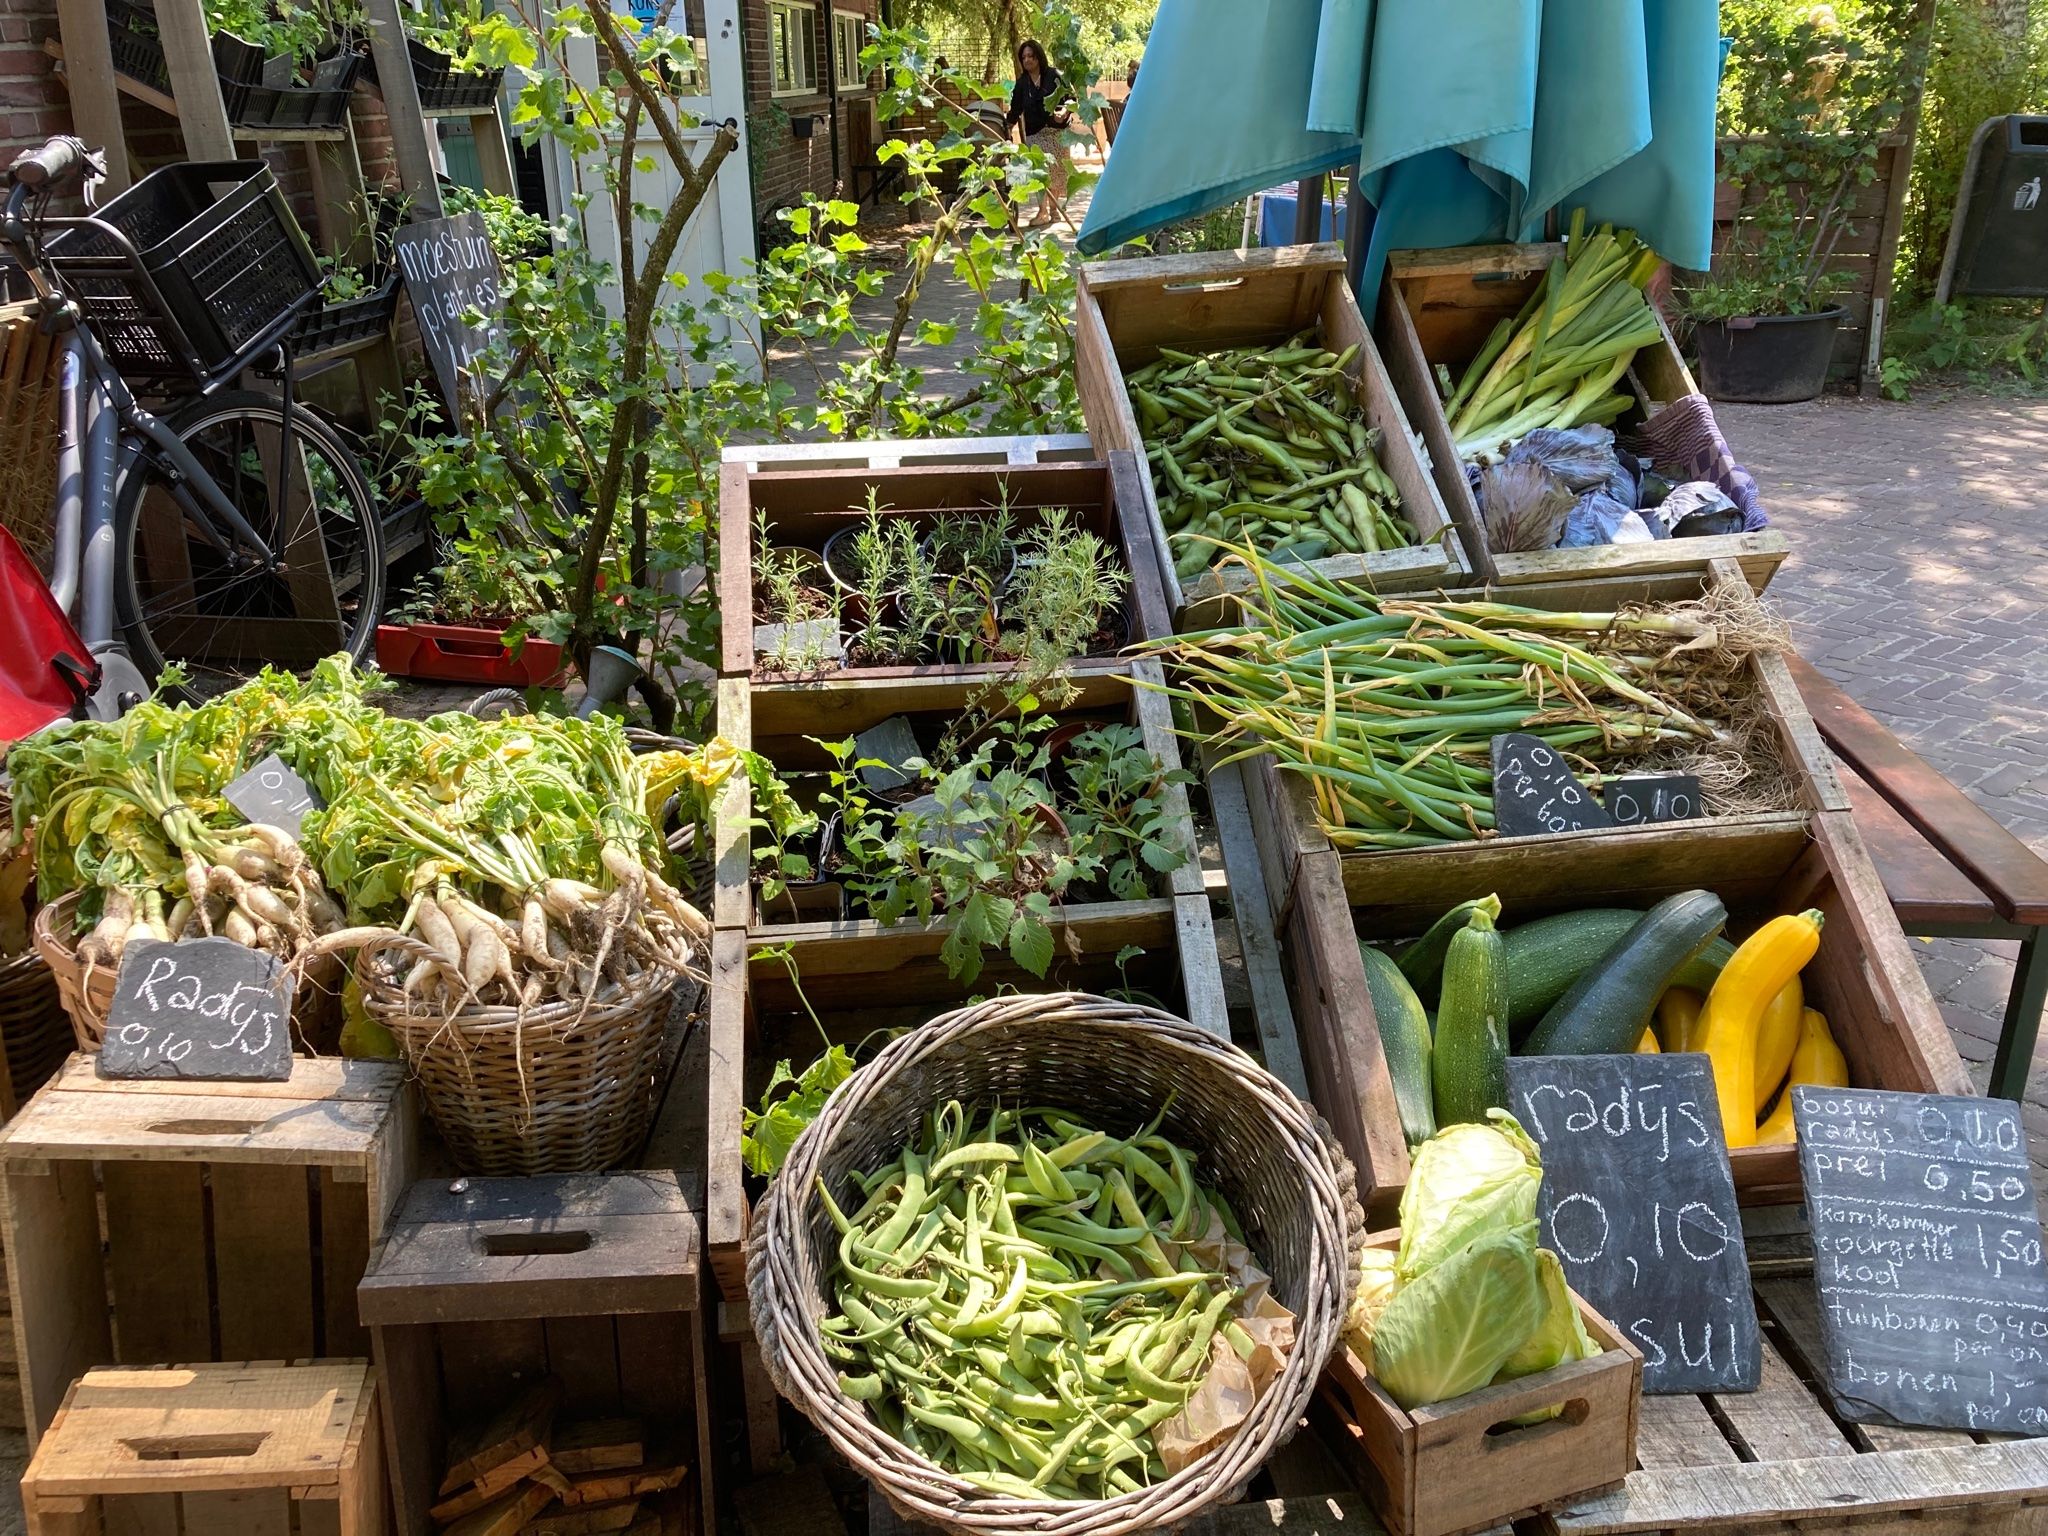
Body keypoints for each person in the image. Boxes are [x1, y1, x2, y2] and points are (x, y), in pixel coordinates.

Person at [1004, 38, 1071, 227]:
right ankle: (1043, 211)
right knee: (1041, 172)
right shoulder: (1022, 84)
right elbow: (1015, 110)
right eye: (1024, 57)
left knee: (1055, 172)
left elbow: (1071, 99)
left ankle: (1054, 210)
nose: (1027, 60)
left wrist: (1064, 112)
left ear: (1039, 57)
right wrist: (1007, 128)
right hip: (1035, 135)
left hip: (1057, 132)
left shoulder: (1054, 76)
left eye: (1031, 56)